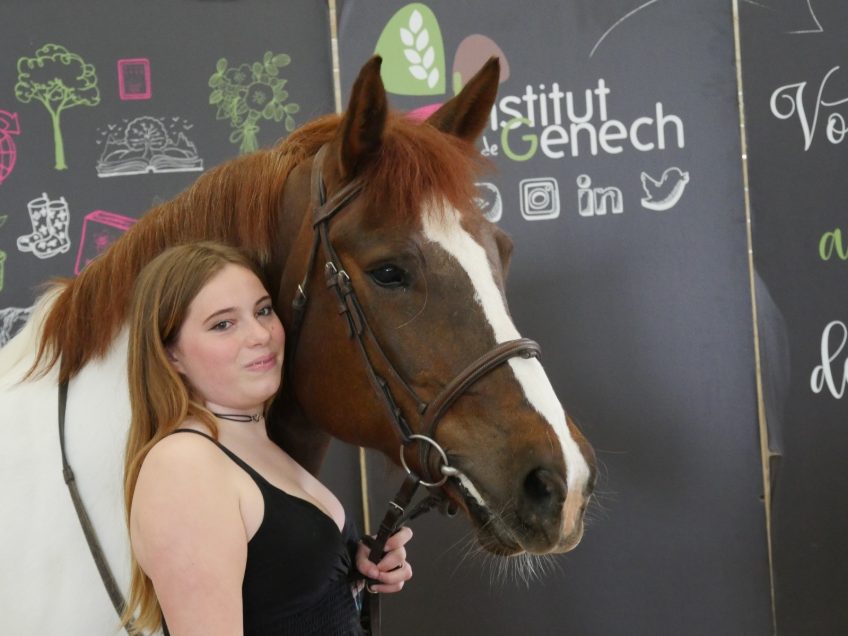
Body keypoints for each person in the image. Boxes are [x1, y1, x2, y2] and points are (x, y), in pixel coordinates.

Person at [121, 242, 413, 635]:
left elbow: (282, 598)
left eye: (262, 311)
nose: (260, 334)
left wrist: (351, 567)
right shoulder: (184, 464)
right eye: (223, 324)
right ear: (171, 353)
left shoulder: (255, 444)